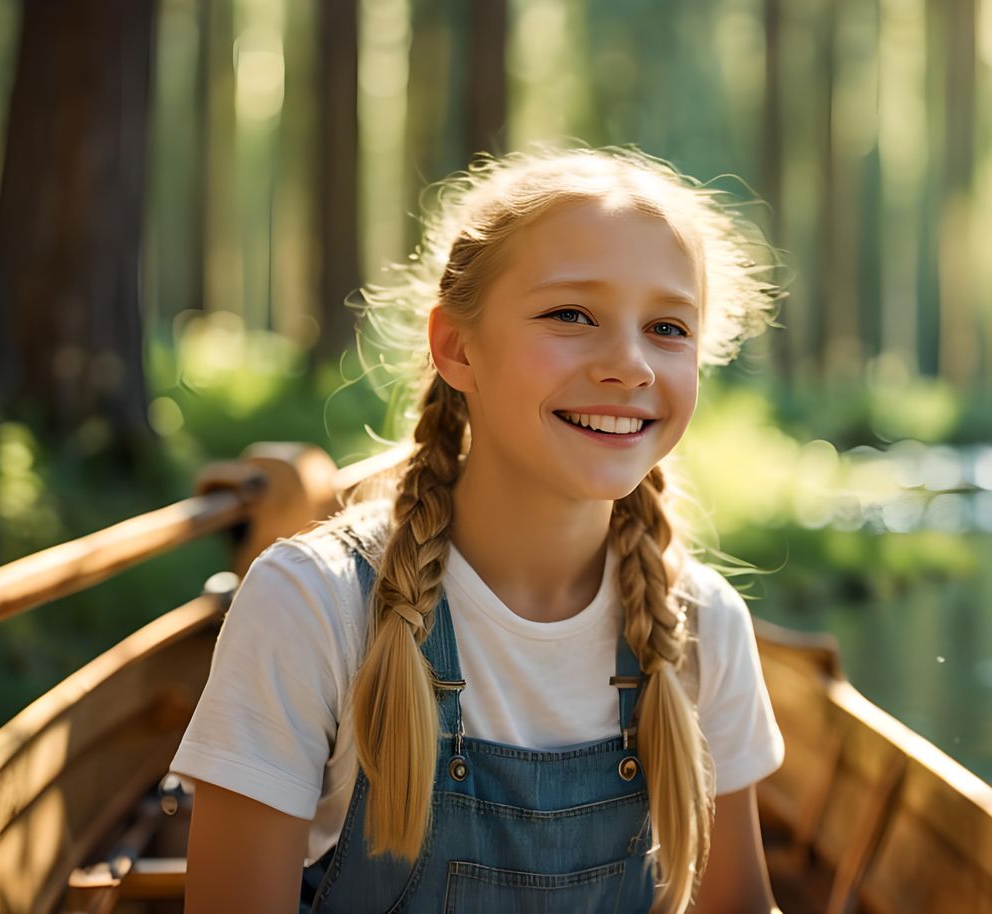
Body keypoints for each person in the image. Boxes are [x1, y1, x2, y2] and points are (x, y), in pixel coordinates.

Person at [172, 145, 788, 914]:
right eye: (572, 315)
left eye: (667, 327)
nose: (630, 365)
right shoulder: (312, 605)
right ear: (457, 348)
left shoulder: (703, 626)